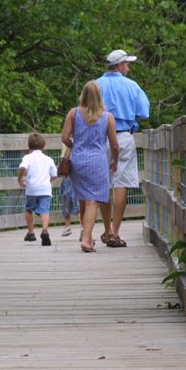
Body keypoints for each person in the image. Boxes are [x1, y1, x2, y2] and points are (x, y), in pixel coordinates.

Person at [96, 49, 150, 248]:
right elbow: (144, 112)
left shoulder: (95, 85)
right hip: (124, 137)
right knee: (120, 184)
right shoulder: (132, 86)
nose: (128, 68)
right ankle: (115, 232)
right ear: (119, 66)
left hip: (100, 140)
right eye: (127, 64)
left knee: (103, 183)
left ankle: (106, 229)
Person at [61, 81, 119, 253]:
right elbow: (115, 145)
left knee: (84, 198)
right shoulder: (107, 117)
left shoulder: (74, 113)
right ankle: (86, 239)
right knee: (93, 200)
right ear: (99, 96)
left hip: (78, 161)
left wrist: (75, 144)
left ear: (83, 95)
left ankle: (88, 235)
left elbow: (64, 138)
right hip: (98, 161)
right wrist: (115, 161)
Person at [18, 132, 57, 246]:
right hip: (45, 188)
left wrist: (20, 178)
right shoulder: (48, 159)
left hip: (31, 188)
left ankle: (31, 233)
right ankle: (45, 230)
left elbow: (22, 167)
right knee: (45, 210)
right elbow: (54, 174)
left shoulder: (27, 157)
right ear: (43, 146)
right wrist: (46, 181)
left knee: (29, 209)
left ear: (29, 147)